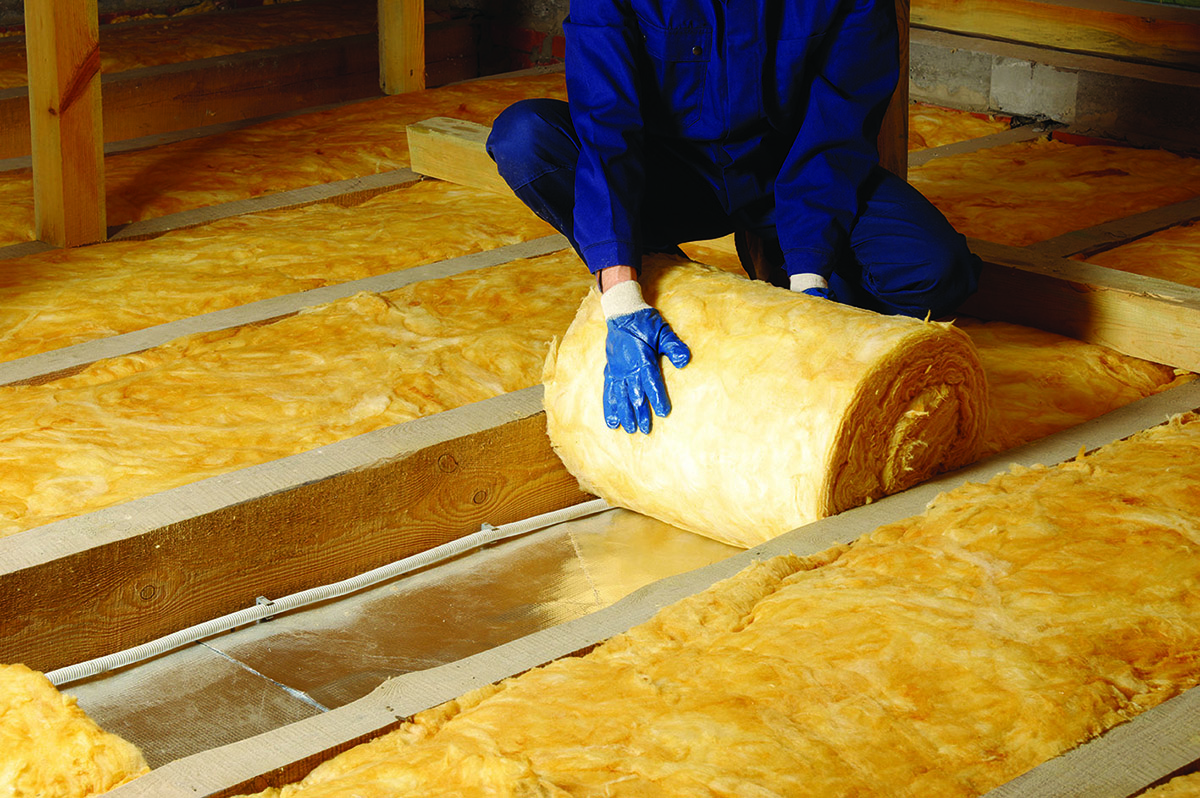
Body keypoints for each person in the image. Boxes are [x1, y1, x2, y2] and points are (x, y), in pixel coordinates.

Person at [486, 0, 982, 435]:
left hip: (785, 175)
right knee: (525, 139)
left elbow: (834, 135)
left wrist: (810, 281)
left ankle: (777, 257)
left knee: (937, 269)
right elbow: (606, 125)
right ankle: (668, 280)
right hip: (667, 175)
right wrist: (621, 297)